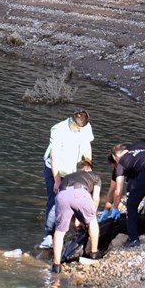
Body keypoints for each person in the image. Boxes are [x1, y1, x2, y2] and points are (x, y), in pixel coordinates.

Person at [40, 110, 93, 249]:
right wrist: (57, 180)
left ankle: (79, 226)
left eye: (82, 128)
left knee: (77, 196)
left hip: (74, 170)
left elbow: (87, 147)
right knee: (54, 200)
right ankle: (49, 236)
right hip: (55, 169)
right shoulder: (58, 130)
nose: (80, 131)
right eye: (78, 128)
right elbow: (54, 156)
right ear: (72, 121)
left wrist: (88, 166)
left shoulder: (86, 126)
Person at [50, 160, 102, 273]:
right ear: (89, 169)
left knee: (59, 232)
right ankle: (94, 254)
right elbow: (95, 198)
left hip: (62, 195)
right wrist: (91, 214)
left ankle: (56, 265)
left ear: (78, 169)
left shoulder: (68, 176)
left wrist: (77, 221)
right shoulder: (95, 176)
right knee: (93, 221)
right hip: (81, 193)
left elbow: (70, 204)